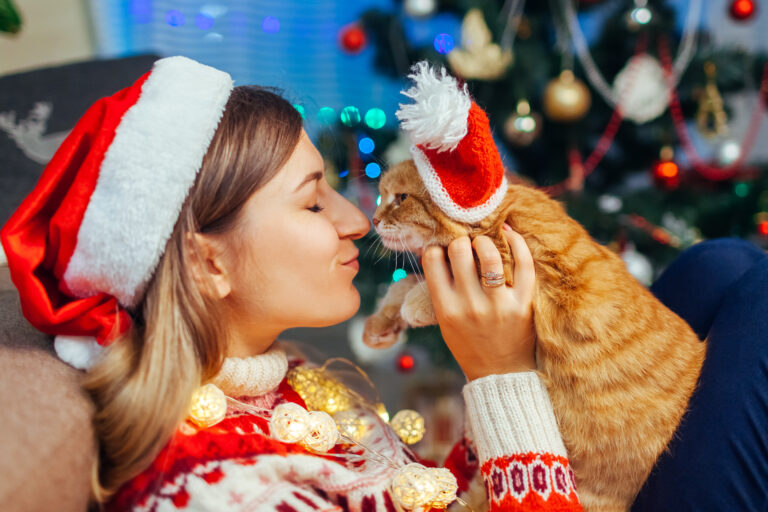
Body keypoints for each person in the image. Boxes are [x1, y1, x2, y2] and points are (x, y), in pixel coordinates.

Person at [1, 56, 765, 512]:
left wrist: (521, 352)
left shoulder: (282, 386)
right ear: (208, 260)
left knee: (717, 267)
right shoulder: (226, 493)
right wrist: (498, 376)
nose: (356, 223)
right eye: (311, 201)